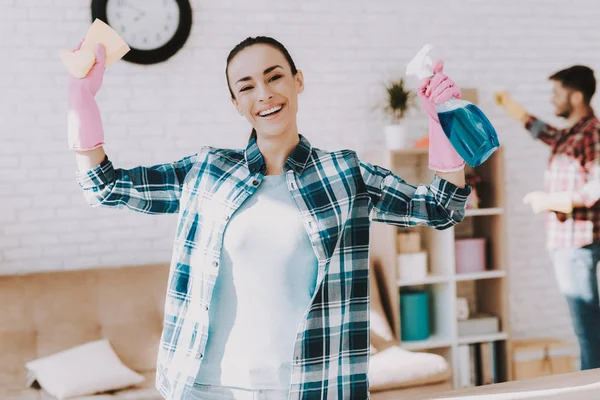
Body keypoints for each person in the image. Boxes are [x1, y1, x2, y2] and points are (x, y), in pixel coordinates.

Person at [67, 36, 472, 399]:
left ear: (298, 81)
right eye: (246, 86)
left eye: (274, 77)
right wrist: (81, 99)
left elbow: (441, 207)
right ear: (236, 103)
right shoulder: (207, 171)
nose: (263, 93)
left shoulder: (344, 174)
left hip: (314, 386)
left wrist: (441, 119)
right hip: (208, 388)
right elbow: (105, 187)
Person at [497, 66, 600, 370]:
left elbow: (597, 182)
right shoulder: (572, 132)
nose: (552, 99)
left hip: (577, 242)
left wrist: (557, 200)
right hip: (567, 242)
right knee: (588, 325)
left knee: (587, 329)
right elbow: (547, 133)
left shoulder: (592, 131)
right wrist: (514, 109)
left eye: (557, 93)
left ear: (577, 95)